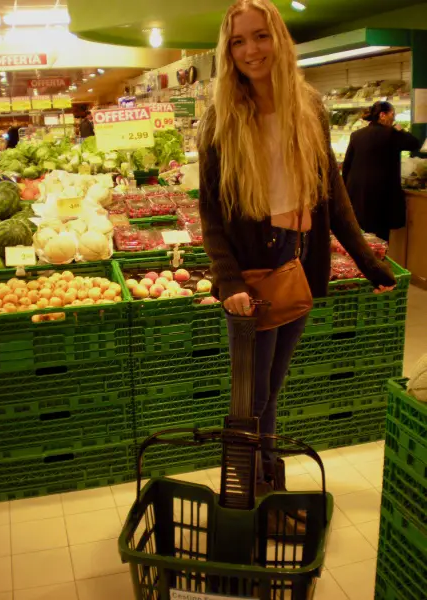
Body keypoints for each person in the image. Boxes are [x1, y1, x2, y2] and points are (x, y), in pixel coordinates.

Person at [197, 0, 396, 499]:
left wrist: (370, 263)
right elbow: (211, 213)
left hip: (299, 259)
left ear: (278, 39)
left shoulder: (307, 107)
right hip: (253, 268)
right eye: (238, 41)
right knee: (252, 395)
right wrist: (229, 282)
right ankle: (250, 492)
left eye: (260, 36)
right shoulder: (221, 118)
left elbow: (333, 194)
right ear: (227, 50)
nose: (250, 50)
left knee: (272, 389)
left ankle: (264, 484)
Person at [343, 101, 421, 242]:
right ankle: (377, 262)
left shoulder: (356, 135)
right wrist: (399, 128)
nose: (394, 118)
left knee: (359, 235)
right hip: (382, 195)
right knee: (379, 239)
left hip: (357, 193)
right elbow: (415, 144)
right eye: (392, 114)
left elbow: (347, 165)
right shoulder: (391, 134)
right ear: (382, 115)